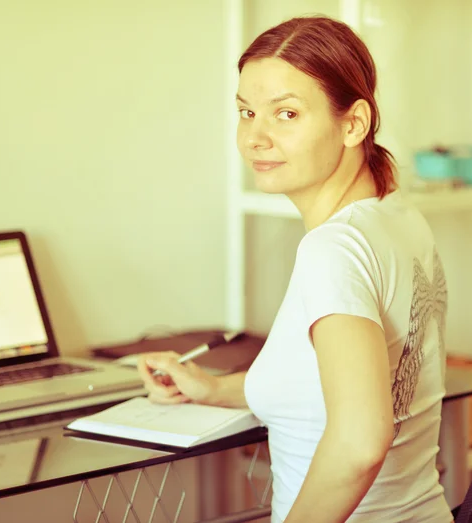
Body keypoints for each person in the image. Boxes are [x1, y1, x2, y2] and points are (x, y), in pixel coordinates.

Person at [137, 16, 453, 523]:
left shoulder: (332, 250)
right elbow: (344, 384)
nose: (255, 138)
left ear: (354, 123)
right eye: (246, 112)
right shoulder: (397, 216)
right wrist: (214, 387)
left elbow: (360, 440)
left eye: (286, 113)